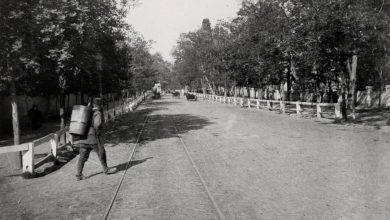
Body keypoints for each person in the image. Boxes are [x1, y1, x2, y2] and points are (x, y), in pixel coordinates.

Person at [73, 98, 116, 181]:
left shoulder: (86, 112)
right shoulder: (97, 112)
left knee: (82, 157)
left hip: (83, 137)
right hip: (93, 138)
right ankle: (106, 169)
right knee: (101, 153)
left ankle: (79, 175)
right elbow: (97, 124)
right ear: (99, 105)